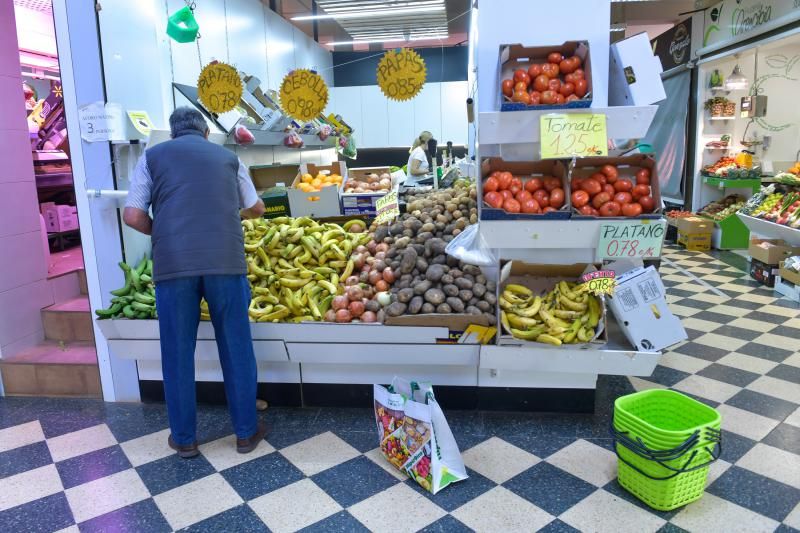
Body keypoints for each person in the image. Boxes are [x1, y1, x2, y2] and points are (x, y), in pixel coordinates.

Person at [123, 107, 267, 459]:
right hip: (225, 262)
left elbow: (133, 215)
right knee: (236, 346)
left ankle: (184, 438)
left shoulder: (152, 157)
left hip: (174, 266)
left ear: (173, 135)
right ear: (205, 133)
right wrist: (230, 213)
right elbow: (257, 207)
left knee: (176, 352)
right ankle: (246, 433)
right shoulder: (228, 157)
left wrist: (166, 234)